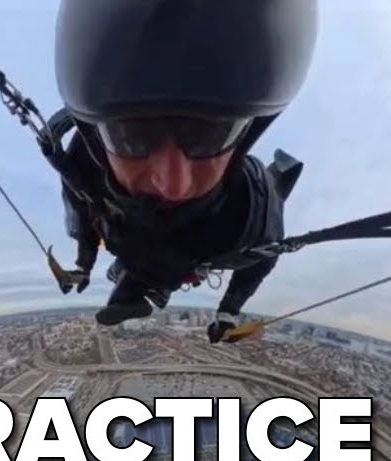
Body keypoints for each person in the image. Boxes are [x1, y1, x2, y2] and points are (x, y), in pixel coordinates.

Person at [50, 0, 318, 342]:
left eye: (208, 136)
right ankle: (144, 284)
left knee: (158, 262)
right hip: (150, 245)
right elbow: (83, 217)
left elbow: (261, 259)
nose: (173, 184)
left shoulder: (252, 216)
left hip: (185, 247)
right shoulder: (84, 172)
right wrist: (83, 263)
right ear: (97, 142)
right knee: (147, 260)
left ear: (245, 140)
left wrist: (229, 310)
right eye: (133, 138)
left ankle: (146, 284)